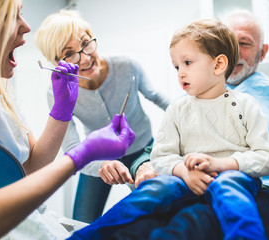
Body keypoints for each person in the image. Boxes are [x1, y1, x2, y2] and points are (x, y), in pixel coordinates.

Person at [116, 9, 269, 239]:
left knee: (204, 223)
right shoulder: (186, 101)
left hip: (268, 189)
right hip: (197, 187)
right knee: (178, 221)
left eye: (243, 43)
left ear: (262, 52)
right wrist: (144, 166)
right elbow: (153, 153)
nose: (231, 51)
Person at [69, 19, 269, 240]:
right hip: (185, 178)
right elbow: (160, 156)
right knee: (153, 190)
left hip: (233, 175)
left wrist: (222, 164)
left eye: (187, 62)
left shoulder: (246, 105)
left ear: (218, 65)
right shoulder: (177, 109)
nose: (180, 73)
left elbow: (267, 158)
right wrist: (183, 171)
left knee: (228, 187)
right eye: (177, 66)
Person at [0, 0, 135, 239]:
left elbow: (31, 168)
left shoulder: (0, 92)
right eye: (13, 17)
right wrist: (82, 155)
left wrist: (62, 110)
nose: (26, 26)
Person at [35, 10, 170, 223]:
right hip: (98, 158)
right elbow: (71, 148)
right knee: (81, 221)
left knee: (158, 213)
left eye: (86, 43)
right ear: (56, 62)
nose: (86, 58)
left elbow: (160, 99)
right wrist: (99, 165)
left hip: (143, 149)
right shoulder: (57, 93)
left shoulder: (127, 65)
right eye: (69, 53)